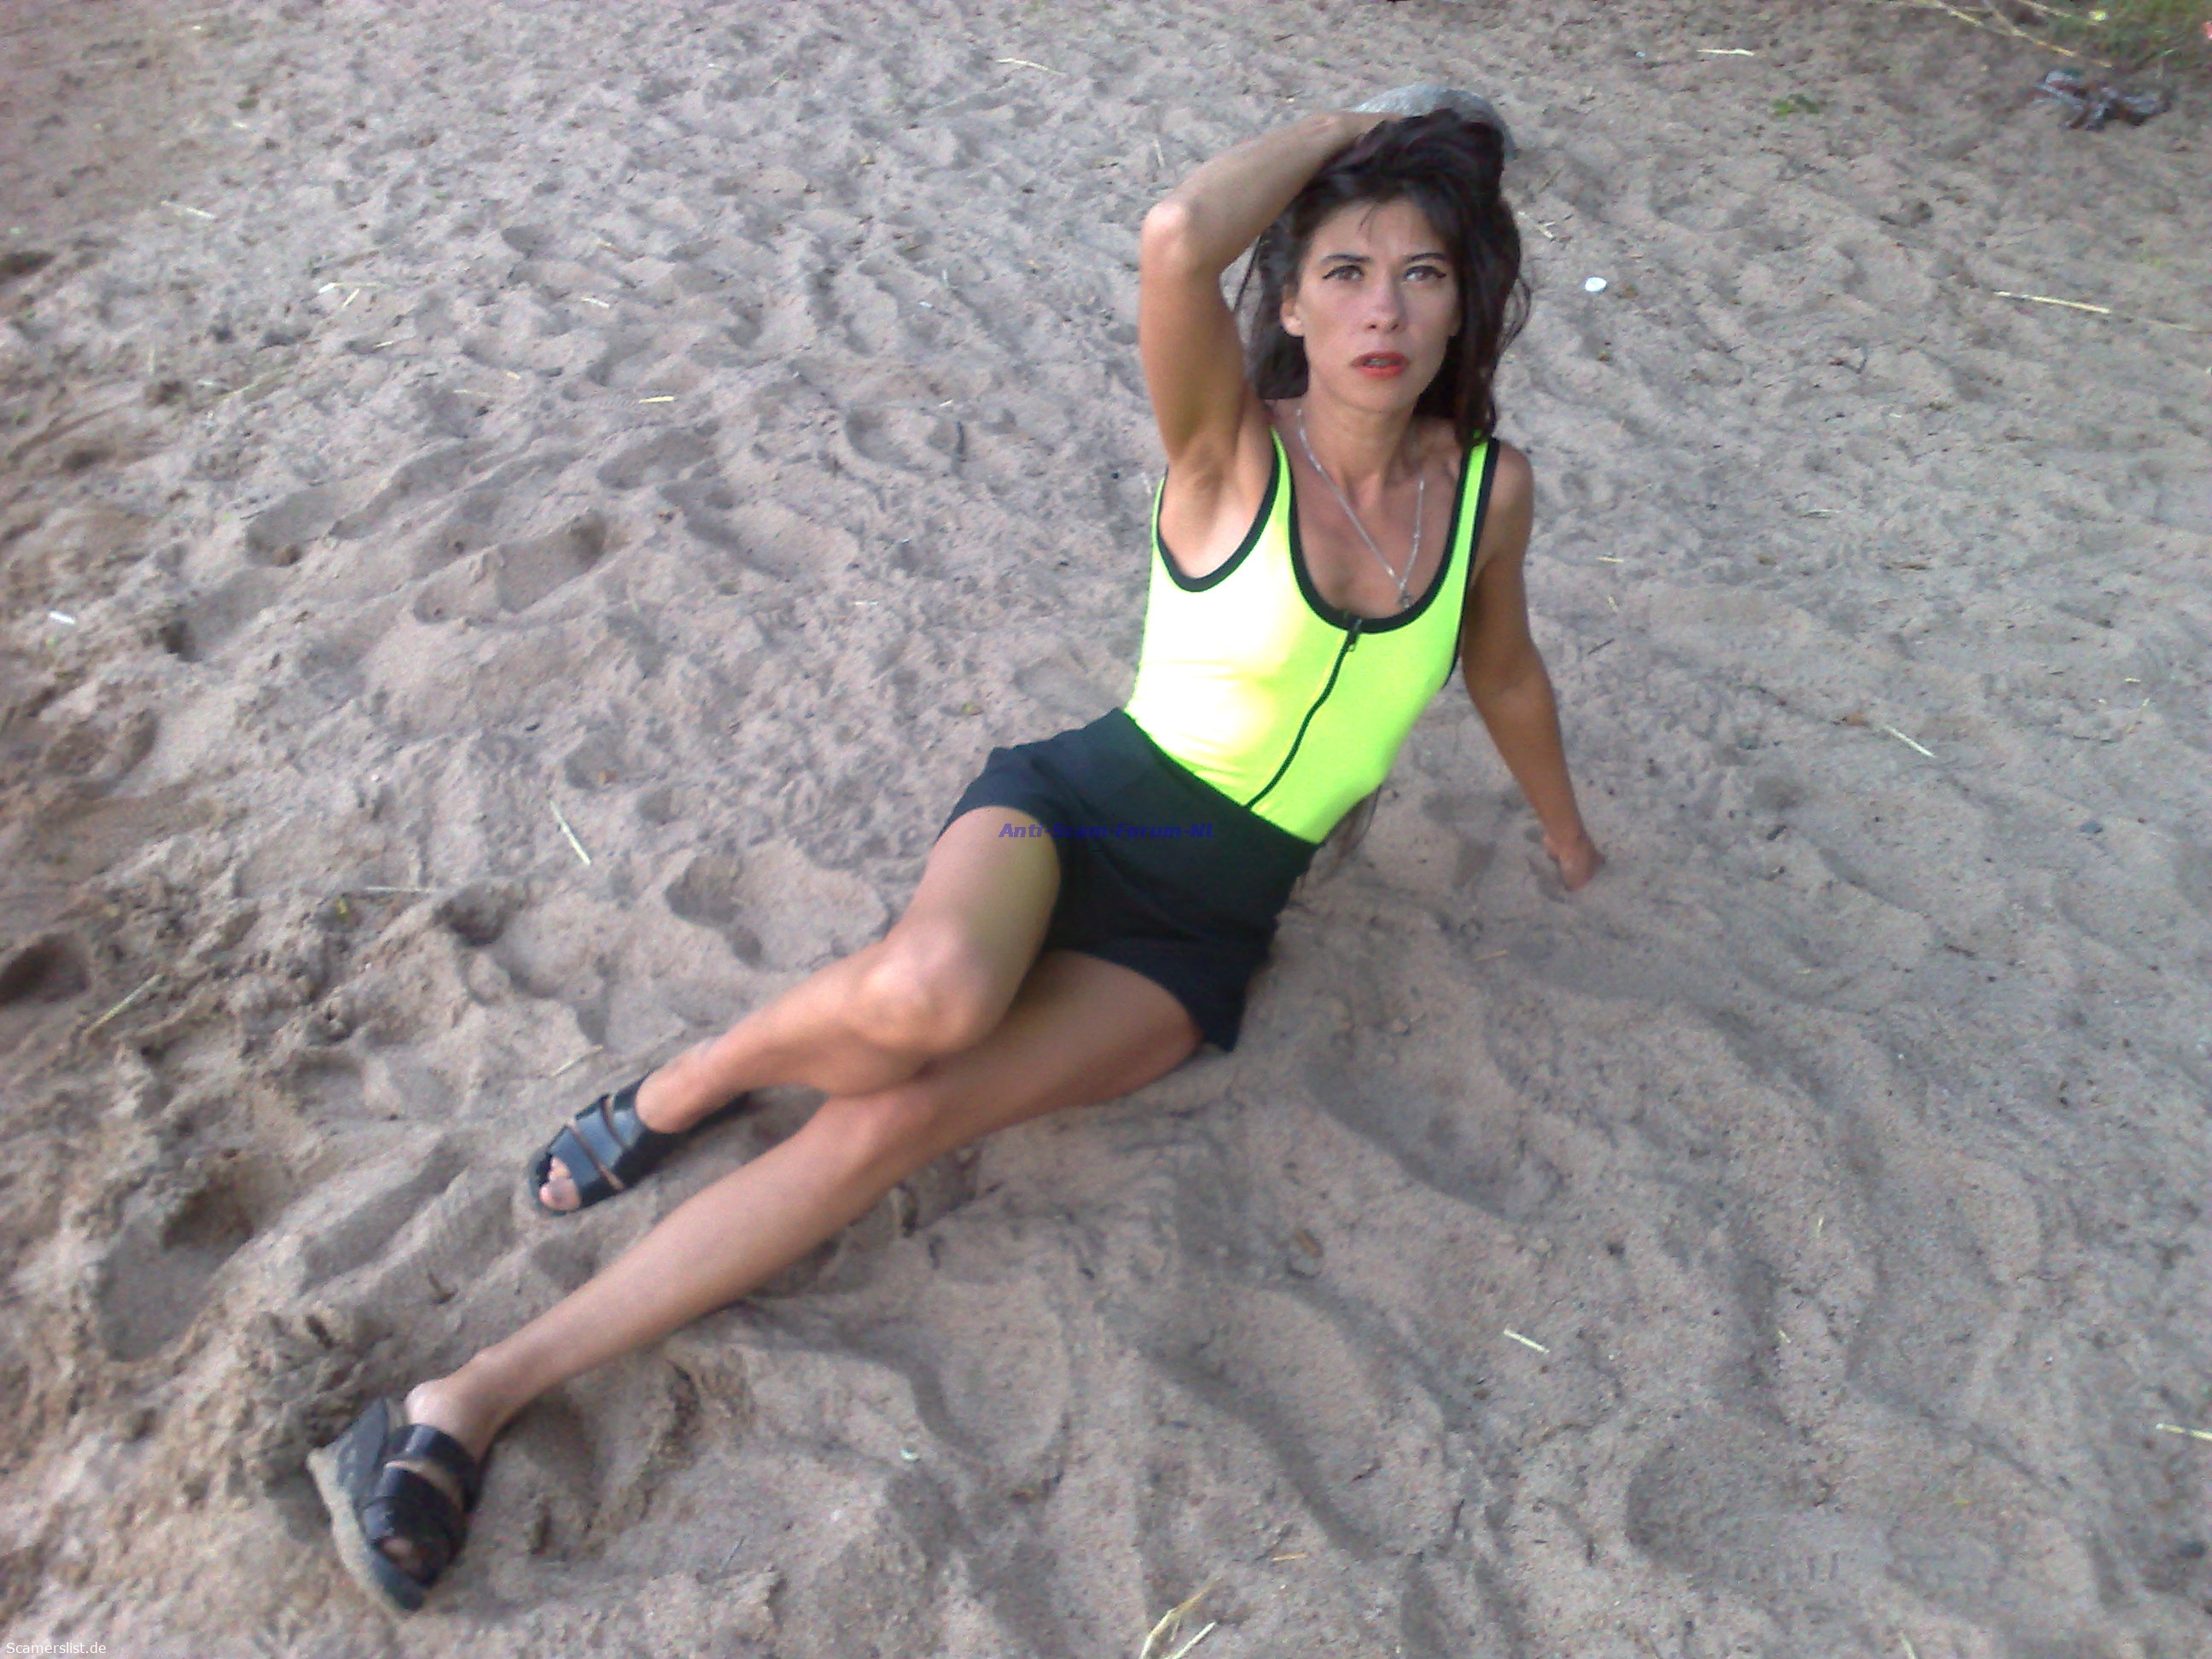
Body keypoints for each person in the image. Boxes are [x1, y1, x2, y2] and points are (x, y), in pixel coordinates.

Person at [309, 89, 1604, 1613]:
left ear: (1466, 303)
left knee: (890, 1125)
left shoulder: (1487, 493)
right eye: (1346, 272)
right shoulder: (1227, 452)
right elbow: (1177, 238)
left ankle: (464, 1399)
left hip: (1201, 934)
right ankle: (692, 1083)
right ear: (1293, 309)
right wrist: (1353, 128)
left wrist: (1571, 843)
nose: (1384, 310)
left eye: (1422, 275)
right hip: (1080, 810)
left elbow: (1503, 670)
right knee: (932, 995)